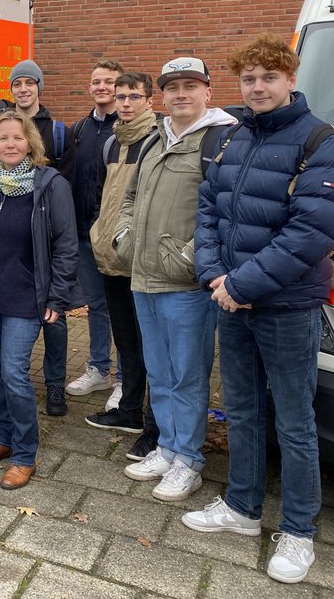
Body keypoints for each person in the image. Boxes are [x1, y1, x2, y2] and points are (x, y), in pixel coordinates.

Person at [183, 34, 334, 584]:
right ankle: (243, 508)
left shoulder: (320, 141)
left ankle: (297, 531)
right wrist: (213, 273)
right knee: (243, 409)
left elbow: (311, 232)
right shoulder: (231, 138)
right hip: (230, 297)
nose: (258, 87)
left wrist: (241, 283)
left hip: (286, 307)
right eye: (249, 78)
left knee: (295, 422)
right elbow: (208, 210)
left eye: (269, 77)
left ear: (290, 79)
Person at [114, 57, 237, 500]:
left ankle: (189, 459)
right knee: (161, 373)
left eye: (191, 85)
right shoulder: (154, 140)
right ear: (162, 95)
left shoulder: (221, 141)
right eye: (173, 87)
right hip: (143, 277)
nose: (180, 94)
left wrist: (190, 256)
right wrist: (125, 237)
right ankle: (167, 447)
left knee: (187, 375)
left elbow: (227, 210)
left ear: (208, 91)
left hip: (186, 284)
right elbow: (130, 197)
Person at [0, 110, 78, 489]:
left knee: (15, 373)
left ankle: (25, 453)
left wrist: (58, 296)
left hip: (28, 296)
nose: (10, 144)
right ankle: (4, 438)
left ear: (31, 144)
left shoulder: (50, 184)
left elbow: (66, 245)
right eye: (2, 138)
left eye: (18, 138)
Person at [86, 72, 159, 460]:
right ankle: (129, 411)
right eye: (121, 96)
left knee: (152, 348)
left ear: (149, 100)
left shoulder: (157, 141)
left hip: (143, 262)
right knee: (128, 342)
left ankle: (154, 426)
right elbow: (106, 197)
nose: (126, 103)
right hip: (112, 259)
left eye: (134, 96)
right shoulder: (112, 143)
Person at [3, 59, 76, 416]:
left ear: (38, 88)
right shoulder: (4, 125)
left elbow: (67, 185)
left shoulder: (58, 132)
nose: (23, 89)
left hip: (46, 236)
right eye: (17, 83)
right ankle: (5, 380)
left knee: (54, 318)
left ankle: (54, 384)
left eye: (29, 83)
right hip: (13, 237)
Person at [66, 59, 121, 404]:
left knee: (123, 309)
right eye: (96, 81)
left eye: (109, 82)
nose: (102, 87)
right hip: (84, 232)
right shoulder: (79, 130)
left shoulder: (130, 127)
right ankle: (99, 368)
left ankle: (125, 380)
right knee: (97, 305)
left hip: (116, 237)